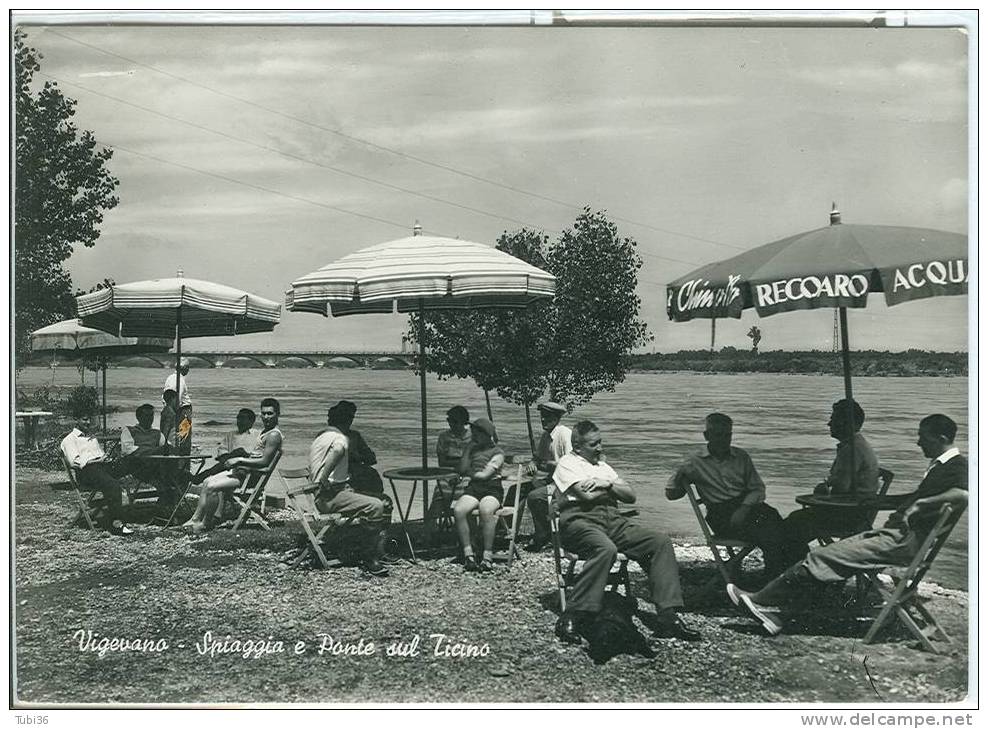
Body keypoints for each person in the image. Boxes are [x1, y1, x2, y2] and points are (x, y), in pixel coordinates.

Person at [728, 414, 968, 637]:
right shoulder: (943, 466)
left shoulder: (955, 465)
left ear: (942, 438)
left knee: (819, 557)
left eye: (922, 437)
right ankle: (772, 606)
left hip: (900, 542)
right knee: (823, 553)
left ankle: (762, 602)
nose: (918, 443)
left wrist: (922, 504)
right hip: (897, 538)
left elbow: (965, 495)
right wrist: (905, 501)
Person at [554, 420, 700, 643]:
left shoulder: (603, 467)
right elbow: (585, 496)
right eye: (594, 444)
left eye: (601, 441)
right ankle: (573, 614)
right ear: (577, 446)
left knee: (659, 542)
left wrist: (605, 484)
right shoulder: (567, 463)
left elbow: (630, 495)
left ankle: (667, 616)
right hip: (579, 521)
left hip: (613, 521)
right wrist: (612, 489)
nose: (600, 448)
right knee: (605, 548)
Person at [666, 413, 803, 578]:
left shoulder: (741, 456)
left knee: (790, 532)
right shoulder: (694, 462)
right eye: (718, 435)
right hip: (721, 514)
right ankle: (774, 580)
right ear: (707, 436)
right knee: (772, 535)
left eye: (728, 435)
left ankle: (798, 577)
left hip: (749, 508)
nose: (724, 440)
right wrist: (681, 478)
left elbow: (758, 488)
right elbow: (671, 494)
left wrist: (744, 507)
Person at [782, 399, 881, 553]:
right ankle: (799, 563)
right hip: (859, 512)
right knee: (796, 520)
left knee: (793, 524)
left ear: (848, 423)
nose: (829, 424)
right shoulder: (856, 445)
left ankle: (796, 566)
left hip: (849, 516)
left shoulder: (851, 450)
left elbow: (840, 491)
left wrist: (822, 491)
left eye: (834, 419)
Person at [309, 404, 390, 577]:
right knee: (375, 506)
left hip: (323, 495)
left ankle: (376, 550)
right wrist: (324, 476)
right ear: (348, 420)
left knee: (380, 501)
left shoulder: (321, 437)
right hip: (330, 496)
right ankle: (370, 557)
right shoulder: (341, 438)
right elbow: (338, 450)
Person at [182, 398, 283, 534]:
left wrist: (239, 460)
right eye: (263, 413)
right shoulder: (265, 432)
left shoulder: (274, 435)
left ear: (278, 414)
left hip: (250, 477)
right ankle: (195, 519)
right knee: (206, 482)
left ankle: (206, 523)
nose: (266, 417)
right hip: (244, 472)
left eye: (270, 414)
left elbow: (264, 462)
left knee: (212, 486)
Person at [60, 414, 132, 535]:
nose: (88, 422)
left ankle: (163, 500)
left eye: (89, 419)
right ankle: (116, 523)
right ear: (76, 419)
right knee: (113, 485)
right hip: (86, 473)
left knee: (130, 463)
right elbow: (75, 463)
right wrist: (97, 461)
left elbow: (100, 455)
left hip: (100, 468)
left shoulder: (92, 437)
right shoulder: (69, 440)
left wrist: (106, 459)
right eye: (84, 419)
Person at [451, 418, 505, 572]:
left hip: (492, 489)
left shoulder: (498, 453)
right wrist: (467, 450)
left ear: (486, 435)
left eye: (477, 434)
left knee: (486, 510)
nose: (474, 437)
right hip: (474, 488)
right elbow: (462, 469)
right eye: (473, 434)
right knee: (459, 510)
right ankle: (468, 554)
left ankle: (487, 555)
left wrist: (469, 472)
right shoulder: (473, 449)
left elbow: (484, 475)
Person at [523, 401, 572, 552]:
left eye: (547, 416)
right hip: (552, 480)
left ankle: (543, 535)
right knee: (518, 489)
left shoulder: (564, 434)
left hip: (565, 483)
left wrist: (548, 465)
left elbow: (571, 465)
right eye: (542, 416)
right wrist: (532, 463)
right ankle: (505, 531)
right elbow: (537, 458)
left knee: (535, 496)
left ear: (557, 418)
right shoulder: (546, 435)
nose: (543, 419)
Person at [329, 400, 385, 497]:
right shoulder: (329, 437)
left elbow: (371, 458)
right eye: (349, 417)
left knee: (372, 479)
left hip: (358, 475)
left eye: (352, 417)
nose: (350, 420)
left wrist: (357, 456)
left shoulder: (354, 436)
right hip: (341, 478)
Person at [189, 408, 259, 485]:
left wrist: (240, 455)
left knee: (239, 451)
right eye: (238, 418)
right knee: (234, 454)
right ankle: (199, 478)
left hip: (246, 467)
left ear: (251, 422)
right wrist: (231, 457)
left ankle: (199, 478)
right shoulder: (230, 435)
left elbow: (258, 454)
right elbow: (222, 453)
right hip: (228, 466)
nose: (239, 421)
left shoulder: (257, 435)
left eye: (243, 418)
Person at [118, 403, 172, 491]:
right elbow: (128, 450)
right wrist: (154, 451)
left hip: (154, 466)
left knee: (169, 455)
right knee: (165, 471)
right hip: (137, 466)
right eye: (146, 416)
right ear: (139, 417)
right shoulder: (129, 430)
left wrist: (168, 449)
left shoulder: (157, 433)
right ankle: (190, 477)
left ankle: (188, 477)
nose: (150, 419)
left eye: (151, 416)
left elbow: (166, 447)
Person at [163, 358, 193, 457]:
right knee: (184, 438)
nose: (188, 370)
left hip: (172, 409)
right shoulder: (179, 380)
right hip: (183, 412)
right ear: (183, 368)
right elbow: (177, 399)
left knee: (172, 436)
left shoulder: (170, 377)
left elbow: (166, 396)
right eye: (188, 367)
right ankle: (183, 463)